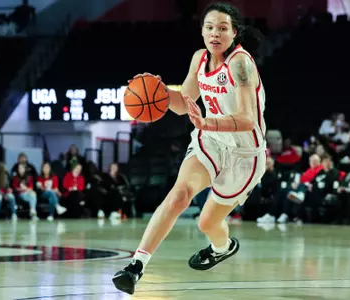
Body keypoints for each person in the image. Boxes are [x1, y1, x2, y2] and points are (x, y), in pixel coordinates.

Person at [112, 2, 267, 295]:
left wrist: (208, 122)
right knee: (179, 194)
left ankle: (223, 247)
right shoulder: (199, 59)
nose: (215, 33)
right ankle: (136, 266)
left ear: (234, 32)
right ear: (202, 32)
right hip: (210, 142)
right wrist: (158, 92)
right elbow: (184, 103)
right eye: (209, 27)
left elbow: (247, 119)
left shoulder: (240, 64)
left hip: (244, 155)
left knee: (207, 222)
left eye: (222, 28)